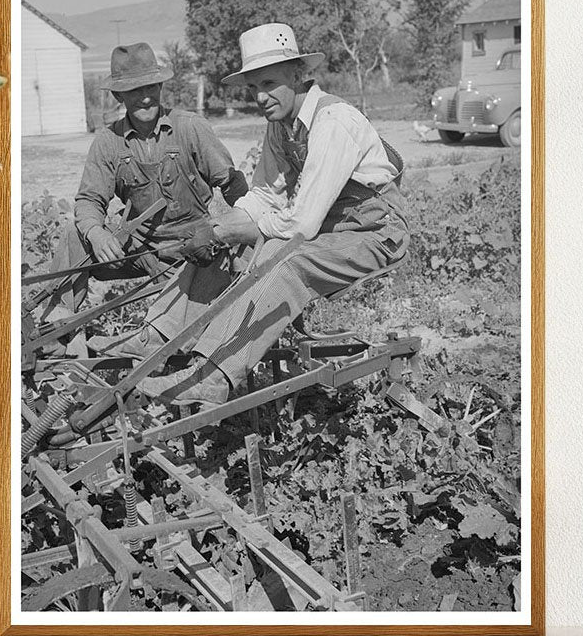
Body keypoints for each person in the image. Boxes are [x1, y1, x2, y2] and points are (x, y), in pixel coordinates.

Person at [134, 22, 410, 404]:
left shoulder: (333, 123)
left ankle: (212, 376)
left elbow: (301, 224)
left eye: (268, 84)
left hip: (375, 233)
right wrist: (218, 227)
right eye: (253, 88)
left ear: (298, 76)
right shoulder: (282, 126)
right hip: (333, 225)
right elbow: (263, 194)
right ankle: (158, 338)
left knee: (285, 260)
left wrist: (234, 231)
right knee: (229, 244)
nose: (260, 97)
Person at [46, 42, 247, 325]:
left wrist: (245, 240)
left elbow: (234, 188)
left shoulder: (190, 128)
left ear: (161, 88)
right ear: (119, 95)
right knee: (74, 235)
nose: (145, 98)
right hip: (139, 249)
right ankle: (60, 330)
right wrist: (98, 234)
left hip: (193, 249)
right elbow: (89, 201)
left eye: (150, 88)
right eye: (134, 90)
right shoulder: (108, 141)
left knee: (192, 333)